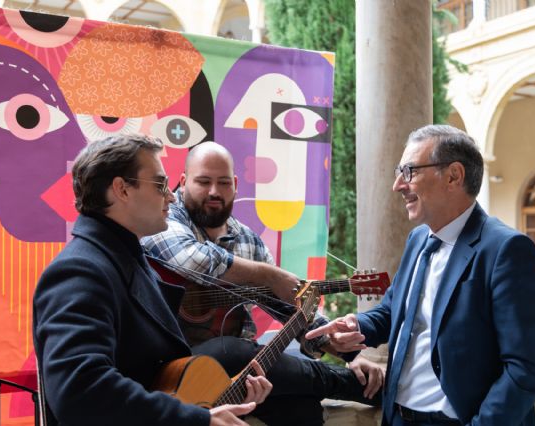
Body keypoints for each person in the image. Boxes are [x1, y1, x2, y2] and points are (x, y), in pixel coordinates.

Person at [306, 124, 535, 426]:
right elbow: (394, 311)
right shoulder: (419, 239)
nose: (398, 184)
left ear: (453, 176)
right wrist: (358, 325)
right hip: (398, 417)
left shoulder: (508, 250)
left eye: (409, 171)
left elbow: (527, 369)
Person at [33, 135, 272, 426]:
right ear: (121, 189)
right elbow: (81, 391)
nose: (171, 196)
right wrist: (198, 420)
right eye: (160, 184)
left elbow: (153, 379)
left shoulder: (127, 258)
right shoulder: (80, 270)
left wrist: (226, 393)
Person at [142, 141, 384, 426]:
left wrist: (351, 355)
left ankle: (361, 382)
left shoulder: (247, 241)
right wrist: (270, 275)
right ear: (183, 183)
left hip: (233, 378)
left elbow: (288, 304)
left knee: (302, 407)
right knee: (232, 348)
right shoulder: (164, 220)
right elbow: (193, 260)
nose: (214, 192)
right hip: (174, 371)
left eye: (222, 183)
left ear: (234, 184)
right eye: (203, 181)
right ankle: (351, 385)